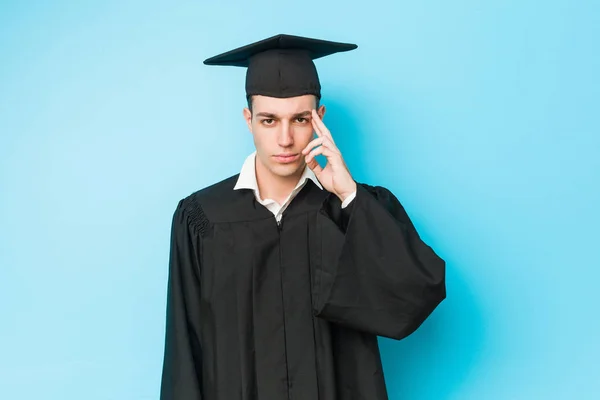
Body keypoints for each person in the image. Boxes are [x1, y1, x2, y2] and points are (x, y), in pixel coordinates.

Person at [159, 34, 446, 400]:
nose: (285, 139)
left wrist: (348, 195)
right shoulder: (202, 217)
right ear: (248, 120)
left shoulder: (352, 209)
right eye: (268, 120)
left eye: (299, 119)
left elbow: (417, 292)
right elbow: (184, 346)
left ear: (319, 119)